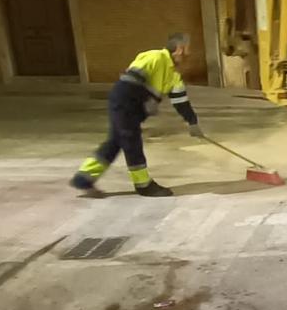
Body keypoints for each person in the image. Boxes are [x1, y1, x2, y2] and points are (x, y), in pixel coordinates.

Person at [71, 33, 204, 198]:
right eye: (188, 50)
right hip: (123, 103)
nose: (189, 55)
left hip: (134, 109)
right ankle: (143, 185)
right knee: (131, 140)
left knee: (114, 143)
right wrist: (145, 99)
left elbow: (181, 101)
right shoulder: (155, 57)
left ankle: (83, 179)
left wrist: (192, 122)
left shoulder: (174, 75)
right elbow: (130, 80)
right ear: (179, 49)